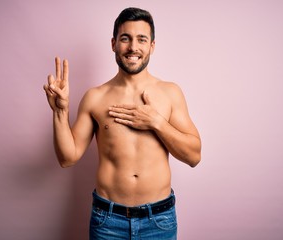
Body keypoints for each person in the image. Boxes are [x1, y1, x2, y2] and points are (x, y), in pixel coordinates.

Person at [43, 7, 201, 240]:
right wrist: (60, 112)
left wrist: (156, 122)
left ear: (152, 46)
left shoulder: (170, 93)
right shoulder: (95, 97)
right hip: (108, 221)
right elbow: (68, 158)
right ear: (114, 44)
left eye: (142, 39)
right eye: (125, 38)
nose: (133, 47)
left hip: (158, 220)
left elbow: (194, 156)